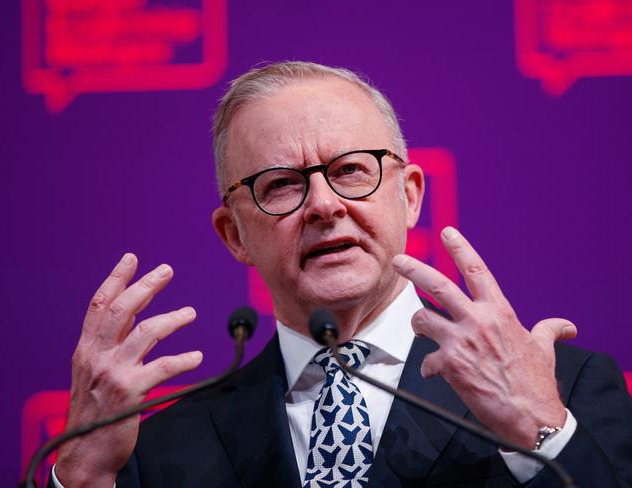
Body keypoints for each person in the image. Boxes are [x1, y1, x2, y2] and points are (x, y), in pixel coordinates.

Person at [50, 62, 632, 487]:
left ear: (409, 197)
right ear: (235, 236)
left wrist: (541, 430)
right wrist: (76, 475)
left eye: (352, 170)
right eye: (280, 184)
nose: (324, 205)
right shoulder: (162, 449)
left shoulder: (567, 392)